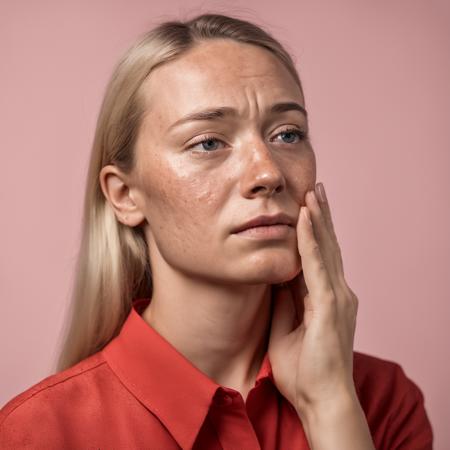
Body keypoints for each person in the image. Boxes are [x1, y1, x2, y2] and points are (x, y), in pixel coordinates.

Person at [0, 12, 433, 450]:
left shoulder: (382, 401)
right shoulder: (39, 432)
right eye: (208, 142)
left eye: (287, 135)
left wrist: (331, 406)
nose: (267, 173)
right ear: (125, 194)